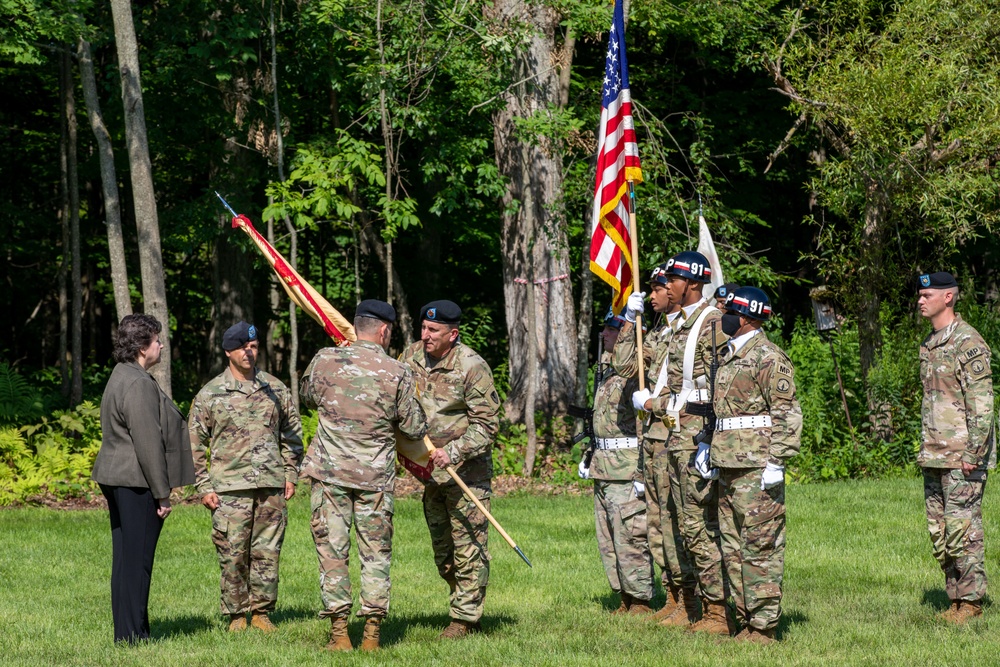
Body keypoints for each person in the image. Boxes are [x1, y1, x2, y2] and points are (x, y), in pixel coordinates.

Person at [300, 300, 428, 651]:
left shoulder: (324, 360)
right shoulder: (398, 372)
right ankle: (372, 634)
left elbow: (307, 397)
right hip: (374, 478)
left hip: (329, 474)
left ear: (357, 326)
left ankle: (339, 634)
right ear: (384, 330)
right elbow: (414, 428)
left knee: (332, 552)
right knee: (375, 553)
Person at [630, 250, 728, 633]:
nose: (666, 286)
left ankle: (717, 611)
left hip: (696, 435)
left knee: (698, 525)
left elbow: (718, 386)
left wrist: (658, 404)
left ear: (692, 283)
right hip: (673, 434)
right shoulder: (677, 326)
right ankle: (690, 601)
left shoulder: (712, 322)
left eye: (672, 279)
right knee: (678, 523)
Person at [188, 321, 303, 633]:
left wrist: (290, 473)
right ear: (228, 352)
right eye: (242, 347)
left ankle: (262, 612)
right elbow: (195, 444)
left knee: (267, 552)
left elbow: (292, 435)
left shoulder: (276, 390)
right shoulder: (211, 394)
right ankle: (237, 614)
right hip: (229, 488)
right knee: (233, 553)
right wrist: (204, 486)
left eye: (253, 346)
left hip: (270, 485)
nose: (249, 352)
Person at [400, 300, 501, 639]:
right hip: (429, 473)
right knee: (444, 555)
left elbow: (487, 425)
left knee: (469, 549)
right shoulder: (411, 356)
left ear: (453, 334)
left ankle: (465, 619)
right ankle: (465, 602)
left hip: (465, 473)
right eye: (423, 328)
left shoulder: (472, 366)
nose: (425, 336)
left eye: (433, 331)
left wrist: (454, 451)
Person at [92, 314, 194, 645]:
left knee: (125, 559)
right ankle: (133, 636)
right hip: (135, 482)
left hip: (117, 477)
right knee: (137, 563)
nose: (161, 345)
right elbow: (148, 442)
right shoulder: (137, 383)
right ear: (141, 347)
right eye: (157, 340)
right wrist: (162, 494)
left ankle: (129, 632)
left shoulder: (122, 375)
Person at [707, 287, 802, 644]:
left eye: (729, 311)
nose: (723, 316)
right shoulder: (729, 355)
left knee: (760, 544)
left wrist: (777, 460)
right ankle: (745, 620)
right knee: (732, 546)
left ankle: (764, 625)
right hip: (728, 463)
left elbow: (787, 414)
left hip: (756, 465)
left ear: (745, 317)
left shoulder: (767, 357)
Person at [612, 266, 694, 622]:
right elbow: (623, 364)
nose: (654, 295)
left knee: (678, 519)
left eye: (658, 288)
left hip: (678, 433)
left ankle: (691, 595)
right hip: (653, 437)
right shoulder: (658, 334)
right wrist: (630, 321)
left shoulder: (693, 331)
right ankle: (673, 593)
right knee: (658, 521)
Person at [916, 272, 994, 623]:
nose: (920, 299)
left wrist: (974, 454)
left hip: (962, 455)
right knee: (940, 531)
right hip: (934, 452)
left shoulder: (968, 342)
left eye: (927, 294)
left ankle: (972, 601)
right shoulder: (930, 342)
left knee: (963, 528)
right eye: (920, 294)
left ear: (948, 297)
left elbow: (982, 405)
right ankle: (955, 599)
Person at [582, 308, 654, 614]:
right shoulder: (608, 369)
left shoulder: (636, 370)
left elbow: (642, 423)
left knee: (630, 534)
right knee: (608, 536)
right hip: (605, 465)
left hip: (627, 466)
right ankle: (623, 594)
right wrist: (590, 455)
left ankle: (640, 599)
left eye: (612, 329)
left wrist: (641, 470)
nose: (605, 334)